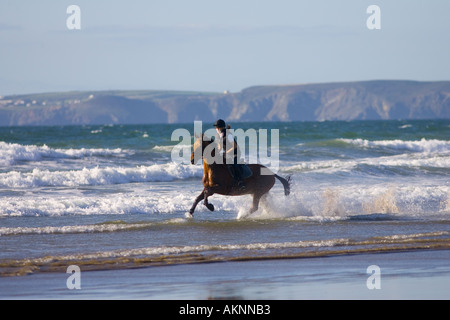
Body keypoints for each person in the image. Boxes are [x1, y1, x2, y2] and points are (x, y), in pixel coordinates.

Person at [213, 119, 246, 191]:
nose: (215, 129)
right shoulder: (218, 136)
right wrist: (217, 153)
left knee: (233, 164)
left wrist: (226, 152)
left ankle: (241, 182)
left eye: (216, 128)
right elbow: (219, 146)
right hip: (227, 153)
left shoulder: (228, 135)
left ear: (219, 128)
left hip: (235, 153)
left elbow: (234, 146)